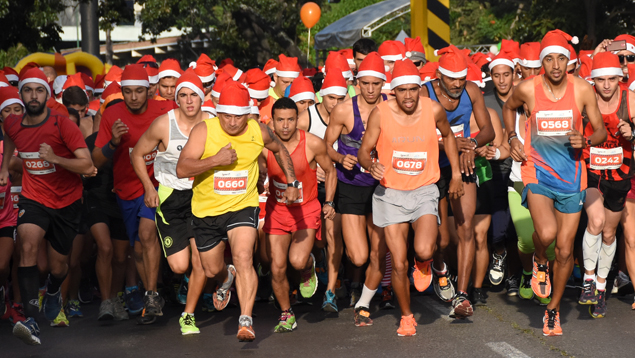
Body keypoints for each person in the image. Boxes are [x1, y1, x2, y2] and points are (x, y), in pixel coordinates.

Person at [175, 81, 299, 342]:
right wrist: (215, 161)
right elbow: (182, 169)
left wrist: (291, 182)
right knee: (210, 269)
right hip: (206, 211)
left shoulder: (258, 131)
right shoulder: (204, 131)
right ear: (218, 112)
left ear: (248, 114)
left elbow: (280, 148)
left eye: (238, 116)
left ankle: (246, 320)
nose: (232, 122)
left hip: (243, 206)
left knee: (243, 256)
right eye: (227, 115)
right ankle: (226, 276)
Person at [503, 30, 607, 336]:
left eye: (561, 58)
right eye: (549, 58)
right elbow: (509, 108)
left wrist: (585, 139)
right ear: (542, 62)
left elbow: (599, 130)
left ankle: (553, 310)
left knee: (564, 251)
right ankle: (538, 259)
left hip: (573, 177)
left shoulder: (583, 90)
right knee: (546, 234)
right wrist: (511, 137)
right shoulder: (528, 89)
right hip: (537, 172)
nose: (556, 64)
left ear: (569, 61)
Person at [359, 59, 463, 336]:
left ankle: (425, 263)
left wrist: (454, 174)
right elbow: (364, 149)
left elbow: (449, 136)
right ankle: (406, 316)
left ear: (420, 88)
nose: (408, 96)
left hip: (424, 189)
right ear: (392, 91)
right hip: (390, 193)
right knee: (399, 260)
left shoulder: (434, 109)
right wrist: (370, 164)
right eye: (402, 90)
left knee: (426, 249)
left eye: (413, 89)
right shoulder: (380, 113)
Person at [1, 68, 96, 345]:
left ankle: (54, 291)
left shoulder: (62, 124)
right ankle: (29, 317)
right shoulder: (13, 123)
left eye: (39, 90)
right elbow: (9, 136)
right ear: (21, 94)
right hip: (34, 198)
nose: (33, 95)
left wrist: (55, 158)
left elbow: (87, 165)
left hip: (67, 202)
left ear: (47, 94)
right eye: (28, 90)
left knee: (58, 267)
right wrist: (6, 166)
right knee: (27, 244)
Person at [93, 64, 175, 325]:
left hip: (157, 185)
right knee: (137, 249)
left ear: (149, 90)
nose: (133, 97)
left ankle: (150, 295)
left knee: (147, 234)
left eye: (139, 91)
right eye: (127, 92)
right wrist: (113, 143)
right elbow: (95, 161)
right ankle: (153, 293)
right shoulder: (112, 114)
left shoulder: (164, 110)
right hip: (126, 190)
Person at [131, 69, 209, 334]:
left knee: (200, 261)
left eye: (193, 96)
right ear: (177, 99)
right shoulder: (164, 124)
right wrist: (148, 188)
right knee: (179, 265)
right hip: (171, 197)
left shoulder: (213, 122)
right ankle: (182, 283)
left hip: (201, 195)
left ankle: (188, 315)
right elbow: (138, 155)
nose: (188, 101)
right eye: (183, 95)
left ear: (202, 97)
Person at [422, 45, 494, 318]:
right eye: (451, 78)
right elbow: (416, 134)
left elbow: (487, 129)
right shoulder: (423, 93)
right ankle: (440, 267)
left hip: (463, 164)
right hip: (433, 168)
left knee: (466, 231)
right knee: (441, 240)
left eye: (461, 79)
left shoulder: (472, 90)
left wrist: (471, 145)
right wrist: (448, 144)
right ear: (439, 75)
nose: (457, 84)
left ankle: (462, 296)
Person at [262, 97, 337, 333]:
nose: (285, 126)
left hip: (306, 210)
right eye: (280, 120)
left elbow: (330, 171)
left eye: (290, 120)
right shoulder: (264, 147)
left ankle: (308, 265)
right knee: (276, 267)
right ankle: (286, 314)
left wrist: (329, 202)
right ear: (272, 121)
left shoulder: (313, 143)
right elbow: (256, 169)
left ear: (298, 120)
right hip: (277, 209)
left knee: (296, 260)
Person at [324, 52, 388, 325]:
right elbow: (325, 146)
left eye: (376, 84)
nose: (371, 89)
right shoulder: (343, 110)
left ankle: (363, 303)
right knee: (359, 256)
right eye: (366, 83)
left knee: (377, 253)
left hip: (382, 188)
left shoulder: (391, 107)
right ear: (357, 83)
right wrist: (340, 158)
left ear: (383, 84)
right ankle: (350, 282)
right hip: (350, 186)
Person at [578, 52, 635, 318]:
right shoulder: (585, 98)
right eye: (601, 79)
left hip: (620, 175)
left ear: (620, 78)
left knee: (610, 234)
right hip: (591, 172)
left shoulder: (630, 100)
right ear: (593, 80)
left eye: (613, 78)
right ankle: (588, 279)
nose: (607, 85)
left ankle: (601, 288)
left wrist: (632, 133)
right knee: (596, 222)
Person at [483, 52, 517, 292]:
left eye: (506, 74)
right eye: (497, 75)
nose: (502, 80)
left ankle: (517, 274)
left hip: (521, 166)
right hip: (493, 168)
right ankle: (498, 253)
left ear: (514, 75)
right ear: (490, 77)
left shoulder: (524, 97)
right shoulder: (484, 101)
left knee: (518, 226)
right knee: (497, 226)